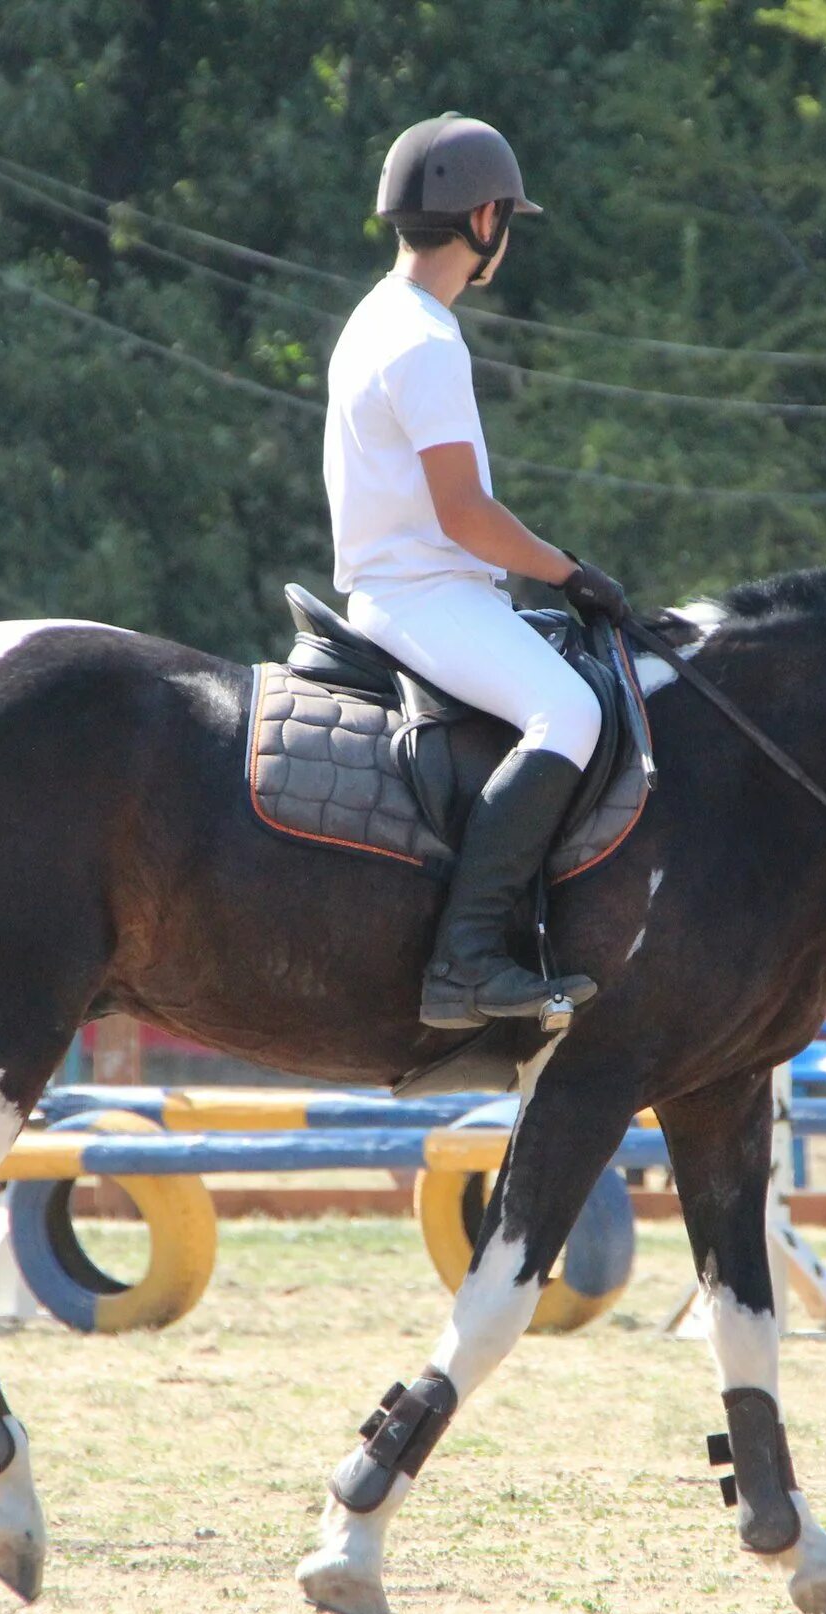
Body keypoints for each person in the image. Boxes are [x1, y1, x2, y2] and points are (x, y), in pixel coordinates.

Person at [324, 113, 630, 1029]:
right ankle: (464, 959)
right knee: (571, 710)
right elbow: (465, 515)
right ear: (485, 220)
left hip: (409, 589)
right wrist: (570, 572)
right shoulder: (425, 339)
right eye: (509, 220)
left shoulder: (380, 317)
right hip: (424, 596)